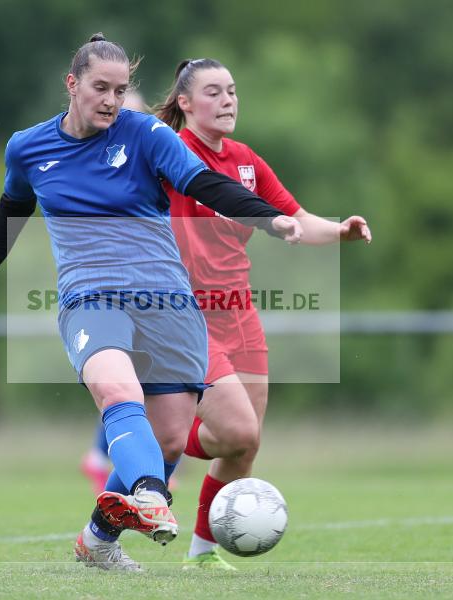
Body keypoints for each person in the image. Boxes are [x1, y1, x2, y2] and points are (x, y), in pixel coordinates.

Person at [0, 36, 303, 572]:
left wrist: (269, 217)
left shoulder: (145, 133)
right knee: (116, 390)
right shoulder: (28, 147)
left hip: (165, 299)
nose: (111, 99)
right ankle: (152, 496)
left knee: (171, 435)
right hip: (90, 296)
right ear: (72, 83)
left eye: (120, 89)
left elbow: (203, 184)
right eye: (100, 88)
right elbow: (11, 207)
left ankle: (97, 540)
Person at [154, 58, 372, 569]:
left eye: (232, 90)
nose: (228, 100)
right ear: (185, 103)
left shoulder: (246, 160)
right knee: (240, 432)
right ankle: (159, 434)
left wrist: (339, 231)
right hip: (187, 312)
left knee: (244, 446)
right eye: (214, 92)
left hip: (239, 311)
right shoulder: (170, 153)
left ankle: (201, 554)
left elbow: (294, 220)